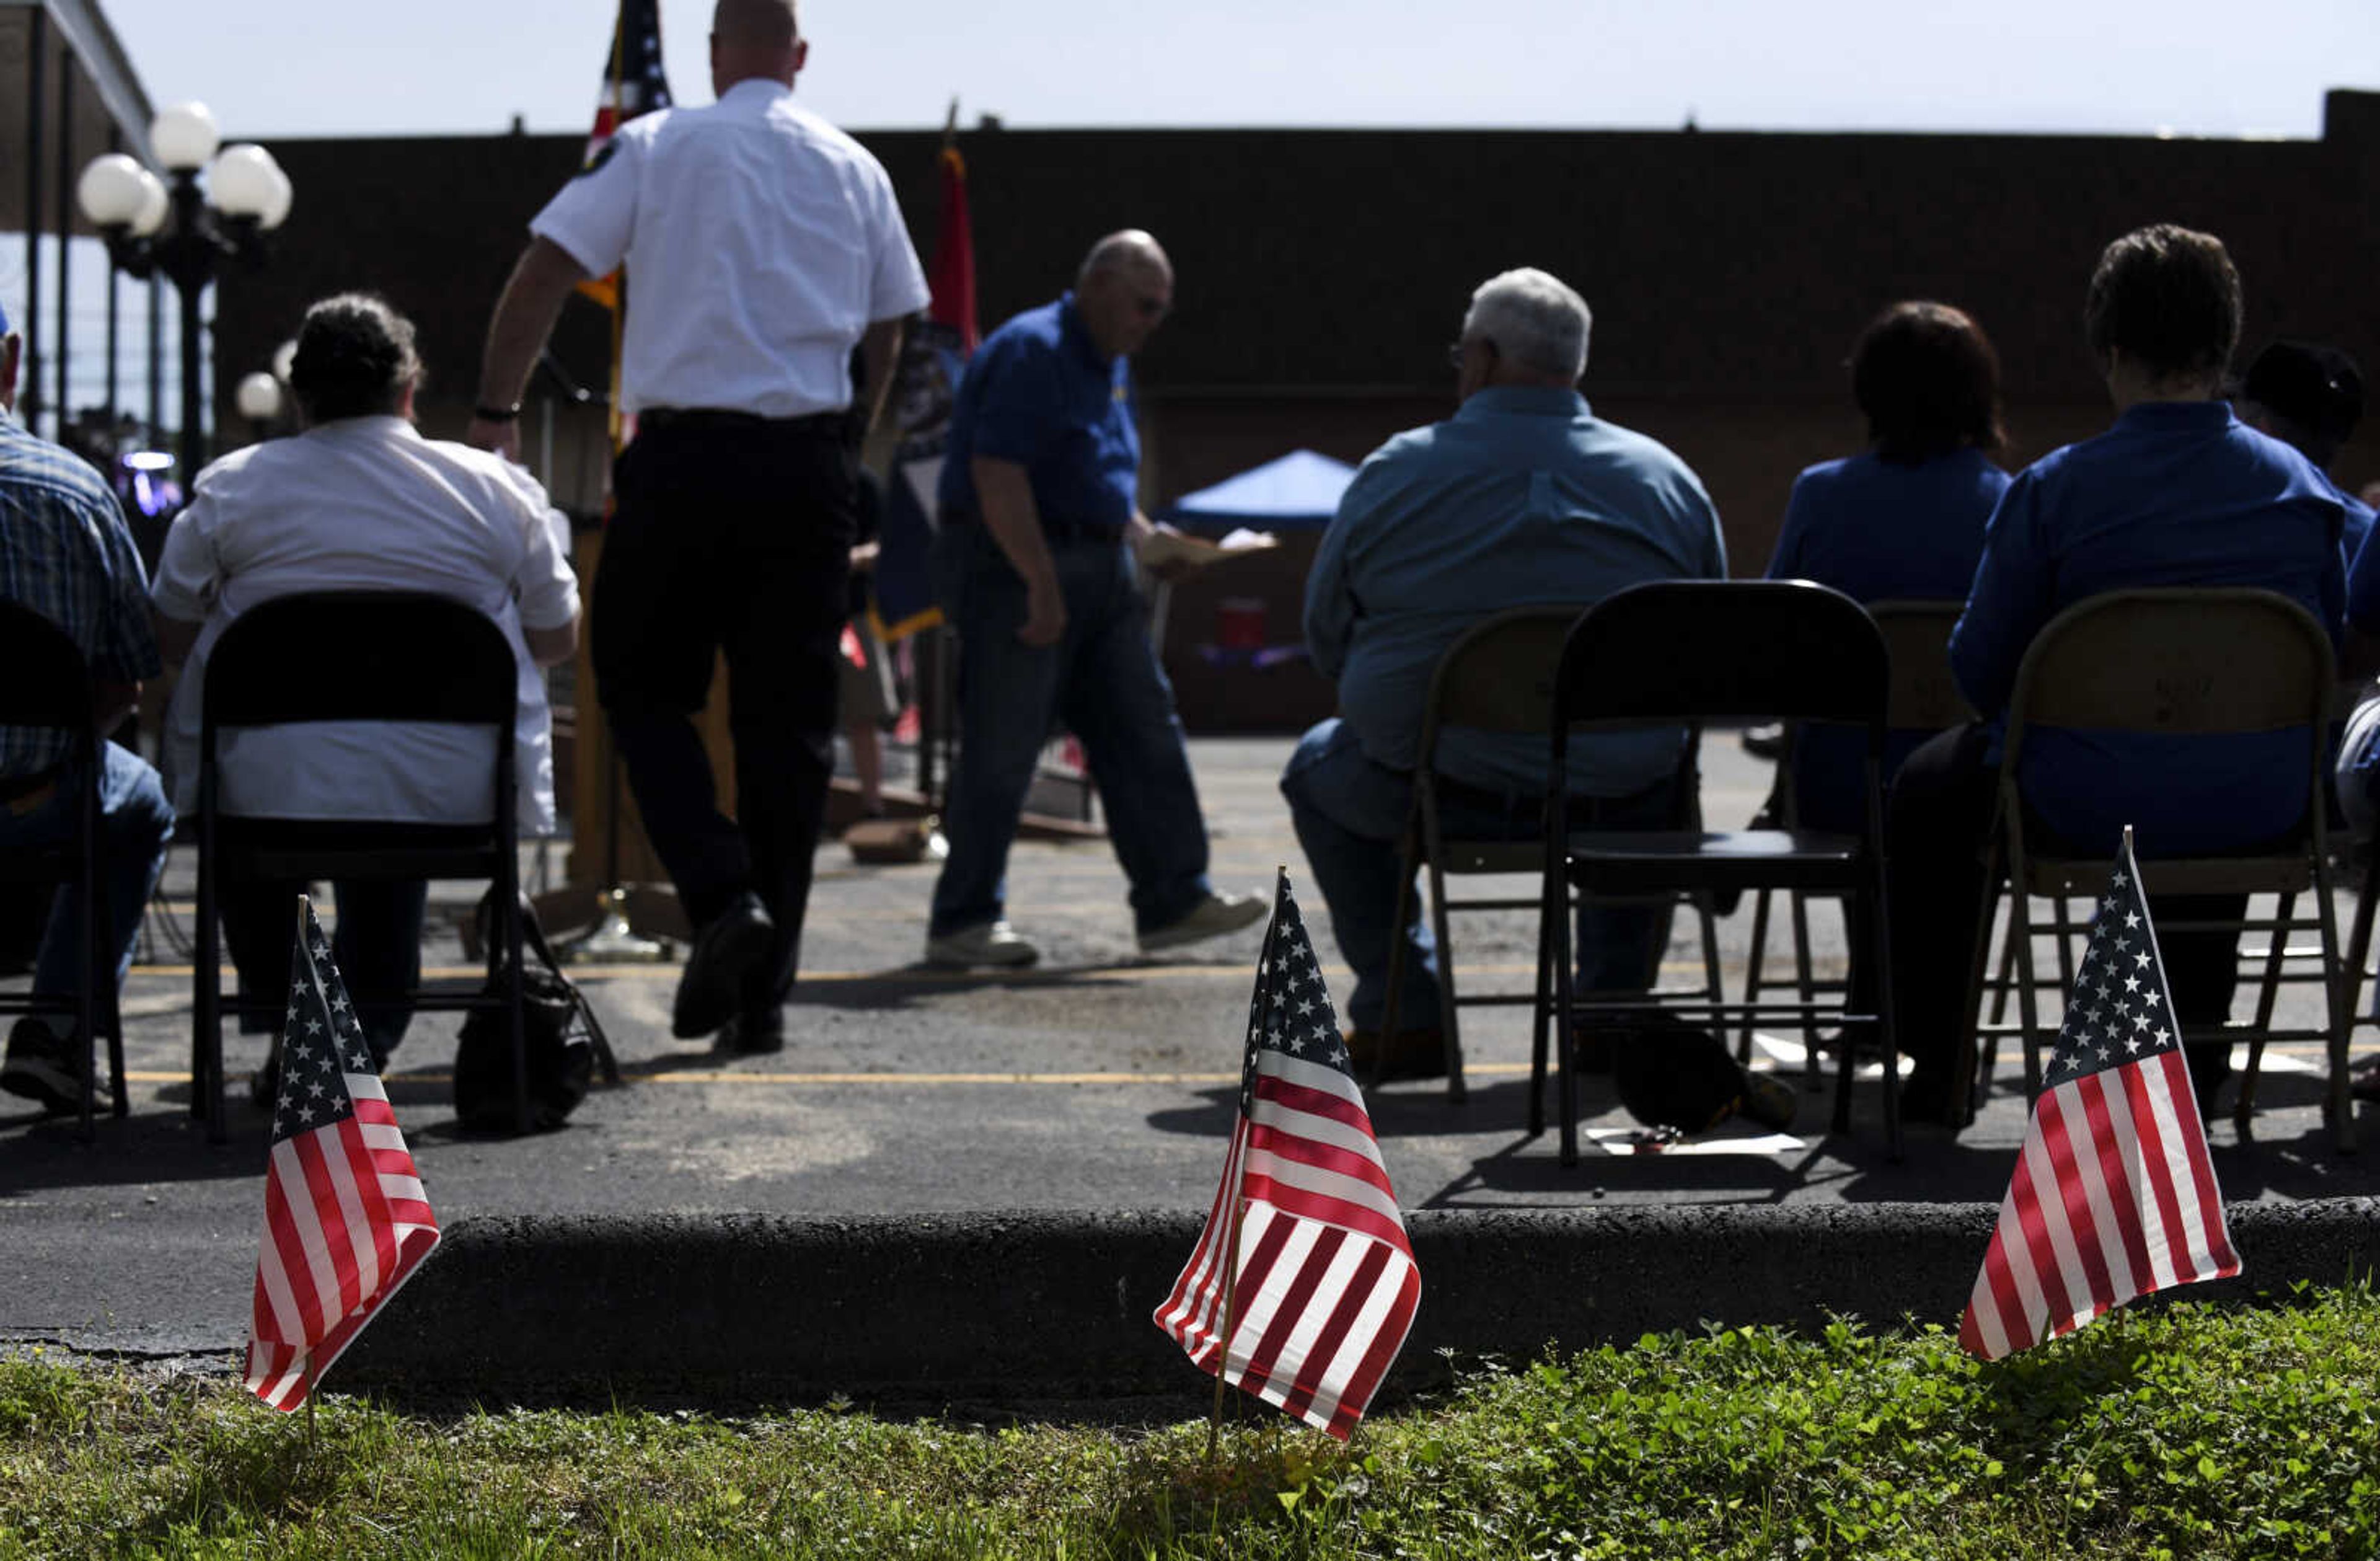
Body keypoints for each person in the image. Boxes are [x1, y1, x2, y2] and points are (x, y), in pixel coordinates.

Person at [466, 0, 930, 1052]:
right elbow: (896, 316)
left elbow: (545, 269)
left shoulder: (656, 141)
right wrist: (848, 432)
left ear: (716, 55)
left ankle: (725, 898)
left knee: (634, 684)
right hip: (807, 463)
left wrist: (496, 414)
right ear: (799, 57)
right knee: (789, 732)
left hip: (681, 460)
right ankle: (760, 998)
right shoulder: (858, 168)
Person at [1886, 224, 2347, 1126]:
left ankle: (1935, 1064)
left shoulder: (2055, 491)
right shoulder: (2305, 492)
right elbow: (2321, 653)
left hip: (2083, 799)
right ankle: (2197, 1054)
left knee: (1928, 790)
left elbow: (1980, 672)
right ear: (2227, 343)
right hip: (2258, 799)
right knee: (2210, 776)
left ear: (2108, 346)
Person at [1284, 267, 1727, 1079]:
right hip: (1618, 799)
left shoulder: (1394, 471)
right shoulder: (1669, 482)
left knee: (1319, 767)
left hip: (1435, 787)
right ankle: (1609, 1014)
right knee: (1657, 775)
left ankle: (1406, 1016)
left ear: (1482, 358)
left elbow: (1327, 634)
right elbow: (1702, 660)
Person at [150, 293, 580, 1077]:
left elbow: (168, 637)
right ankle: (361, 1031)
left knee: (264, 806)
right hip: (450, 788)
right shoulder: (496, 492)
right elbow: (556, 640)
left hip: (266, 788)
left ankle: (299, 1018)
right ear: (409, 389)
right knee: (393, 785)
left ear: (299, 396)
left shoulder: (232, 490)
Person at [924, 230, 1263, 968]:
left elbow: (1098, 480)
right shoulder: (1032, 349)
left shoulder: (1108, 364)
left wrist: (1150, 542)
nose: (1150, 323)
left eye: (1160, 312)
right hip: (1019, 563)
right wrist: (1040, 588)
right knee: (1004, 745)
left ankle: (1173, 900)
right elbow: (998, 475)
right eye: (1144, 305)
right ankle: (964, 918)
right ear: (1100, 282)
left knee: (1143, 727)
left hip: (1099, 562)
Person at [0, 298, 175, 1117]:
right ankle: (58, 1032)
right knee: (139, 806)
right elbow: (126, 679)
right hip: (43, 796)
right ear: (11, 362)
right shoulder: (74, 490)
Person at [1765, 301, 2012, 831]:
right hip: (1971, 789)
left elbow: (1774, 642)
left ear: (1869, 390)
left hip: (1838, 788)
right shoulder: (2009, 505)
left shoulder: (1819, 495)